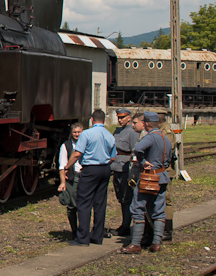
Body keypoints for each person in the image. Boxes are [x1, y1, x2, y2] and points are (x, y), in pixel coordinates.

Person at [119, 111, 173, 254]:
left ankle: (136, 243)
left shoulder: (151, 137)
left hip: (149, 178)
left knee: (138, 208)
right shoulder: (165, 138)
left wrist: (142, 162)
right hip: (162, 176)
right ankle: (156, 243)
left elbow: (138, 148)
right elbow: (169, 158)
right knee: (159, 210)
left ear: (147, 123)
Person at [63, 109, 116, 246]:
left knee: (84, 203)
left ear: (92, 120)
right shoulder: (110, 135)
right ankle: (97, 237)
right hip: (105, 168)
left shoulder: (86, 134)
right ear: (104, 120)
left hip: (90, 169)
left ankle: (83, 238)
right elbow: (114, 156)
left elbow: (77, 154)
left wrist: (67, 167)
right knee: (100, 203)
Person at [111, 108, 140, 236]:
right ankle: (124, 223)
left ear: (129, 117)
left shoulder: (132, 132)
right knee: (120, 197)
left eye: (123, 117)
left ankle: (126, 225)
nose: (120, 120)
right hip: (116, 166)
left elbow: (134, 151)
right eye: (119, 117)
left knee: (126, 197)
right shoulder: (117, 131)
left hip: (125, 167)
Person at [57, 123, 84, 237]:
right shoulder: (66, 146)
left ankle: (83, 230)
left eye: (79, 132)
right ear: (71, 133)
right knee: (72, 205)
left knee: (83, 205)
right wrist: (62, 182)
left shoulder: (87, 144)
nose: (77, 134)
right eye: (75, 132)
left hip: (84, 176)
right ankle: (74, 231)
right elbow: (62, 165)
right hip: (72, 177)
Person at [158, 112, 177, 241]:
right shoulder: (160, 130)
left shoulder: (166, 131)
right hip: (160, 170)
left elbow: (167, 151)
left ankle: (167, 230)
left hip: (166, 170)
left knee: (166, 200)